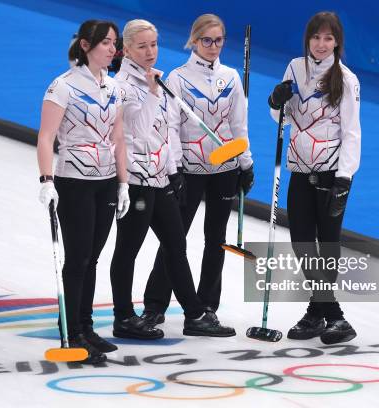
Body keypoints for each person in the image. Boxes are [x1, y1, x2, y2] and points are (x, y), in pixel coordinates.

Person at [110, 19, 235, 339]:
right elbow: (136, 131)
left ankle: (194, 315)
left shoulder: (156, 79)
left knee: (176, 246)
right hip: (135, 180)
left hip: (160, 179)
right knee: (128, 249)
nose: (151, 52)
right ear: (126, 50)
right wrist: (152, 93)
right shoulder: (121, 86)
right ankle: (123, 317)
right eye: (142, 46)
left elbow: (169, 130)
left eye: (153, 44)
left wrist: (174, 169)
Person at [141, 14, 254, 328]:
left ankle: (206, 308)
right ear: (194, 41)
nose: (213, 46)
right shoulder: (177, 78)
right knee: (174, 238)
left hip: (225, 168)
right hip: (189, 170)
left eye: (218, 40)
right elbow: (171, 127)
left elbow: (238, 126)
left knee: (216, 239)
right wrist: (175, 169)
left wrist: (246, 163)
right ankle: (155, 305)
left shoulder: (231, 77)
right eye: (207, 40)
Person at [36, 19, 131, 363]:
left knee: (92, 258)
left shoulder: (115, 88)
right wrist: (47, 181)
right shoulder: (62, 87)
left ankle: (86, 326)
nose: (112, 49)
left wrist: (123, 182)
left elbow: (119, 138)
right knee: (77, 259)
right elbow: (46, 136)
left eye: (114, 43)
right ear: (87, 46)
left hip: (105, 181)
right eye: (106, 42)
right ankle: (71, 332)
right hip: (74, 182)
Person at [268, 11, 361, 344]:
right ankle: (328, 314)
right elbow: (283, 116)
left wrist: (344, 178)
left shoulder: (346, 79)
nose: (321, 45)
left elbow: (352, 132)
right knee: (302, 241)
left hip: (330, 172)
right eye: (316, 37)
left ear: (337, 42)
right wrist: (276, 101)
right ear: (307, 38)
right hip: (299, 168)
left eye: (328, 38)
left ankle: (319, 312)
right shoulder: (295, 67)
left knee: (327, 244)